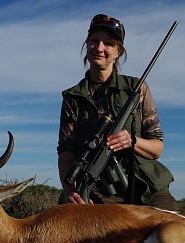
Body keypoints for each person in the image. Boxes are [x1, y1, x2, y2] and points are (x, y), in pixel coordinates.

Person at [57, 14, 177, 210]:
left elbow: (157, 148)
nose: (100, 48)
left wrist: (132, 141)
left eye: (108, 43)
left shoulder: (137, 88)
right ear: (87, 45)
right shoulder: (72, 97)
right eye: (94, 41)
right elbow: (65, 152)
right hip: (98, 188)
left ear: (118, 51)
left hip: (145, 186)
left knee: (175, 228)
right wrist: (70, 190)